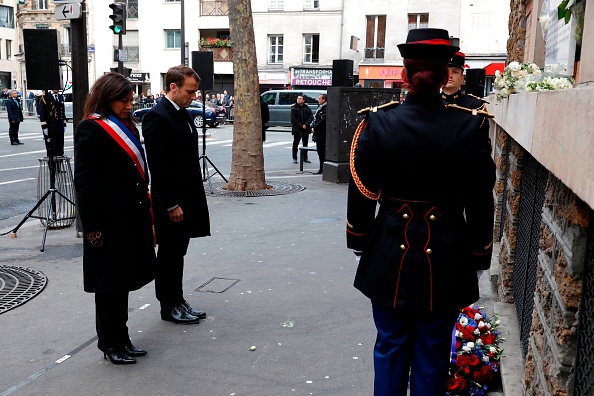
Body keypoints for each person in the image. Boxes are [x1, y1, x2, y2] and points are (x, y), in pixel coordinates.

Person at [346, 28, 496, 395]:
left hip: (387, 254)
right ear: (446, 76)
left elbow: (363, 191)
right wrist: (479, 251)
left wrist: (360, 239)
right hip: (447, 254)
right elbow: (480, 198)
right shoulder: (470, 124)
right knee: (432, 350)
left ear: (404, 75)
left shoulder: (378, 121)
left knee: (391, 345)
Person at [73, 72, 156, 365]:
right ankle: (109, 343)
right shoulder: (92, 129)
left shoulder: (126, 126)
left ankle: (123, 338)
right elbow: (84, 183)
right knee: (108, 287)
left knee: (122, 284)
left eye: (131, 99)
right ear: (107, 99)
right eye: (123, 100)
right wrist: (92, 227)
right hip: (107, 223)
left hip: (130, 218)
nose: (129, 105)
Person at [142, 65, 211, 325]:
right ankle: (168, 305)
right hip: (171, 201)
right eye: (189, 91)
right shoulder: (157, 116)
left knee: (178, 252)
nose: (193, 97)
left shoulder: (181, 113)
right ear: (173, 86)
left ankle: (178, 300)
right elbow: (158, 166)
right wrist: (171, 204)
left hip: (186, 196)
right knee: (169, 254)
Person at [37, 90, 66, 159]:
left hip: (59, 125)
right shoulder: (45, 97)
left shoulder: (60, 96)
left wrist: (64, 123)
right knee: (51, 149)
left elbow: (62, 111)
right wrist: (44, 126)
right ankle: (52, 168)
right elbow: (42, 113)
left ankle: (58, 168)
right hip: (51, 126)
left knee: (60, 148)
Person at [290, 95, 313, 164]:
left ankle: (305, 157)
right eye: (298, 98)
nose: (299, 100)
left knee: (305, 144)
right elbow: (293, 119)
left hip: (305, 129)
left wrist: (306, 124)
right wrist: (301, 125)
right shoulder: (294, 108)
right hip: (297, 129)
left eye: (300, 99)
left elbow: (311, 117)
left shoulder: (307, 108)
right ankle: (294, 157)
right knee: (295, 143)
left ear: (303, 100)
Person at [311, 93, 327, 174]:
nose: (318, 100)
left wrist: (315, 127)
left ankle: (322, 168)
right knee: (319, 151)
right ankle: (321, 167)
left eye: (320, 98)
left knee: (322, 151)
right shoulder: (320, 108)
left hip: (322, 133)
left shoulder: (325, 108)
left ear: (324, 100)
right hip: (318, 133)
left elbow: (322, 121)